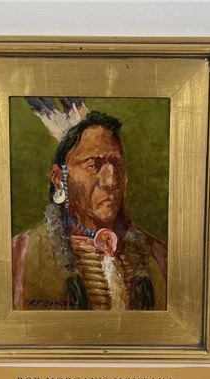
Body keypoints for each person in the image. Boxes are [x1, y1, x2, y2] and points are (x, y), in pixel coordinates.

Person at [12, 99, 167, 311]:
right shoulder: (18, 257)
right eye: (94, 165)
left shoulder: (159, 257)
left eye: (117, 166)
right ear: (59, 178)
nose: (111, 181)